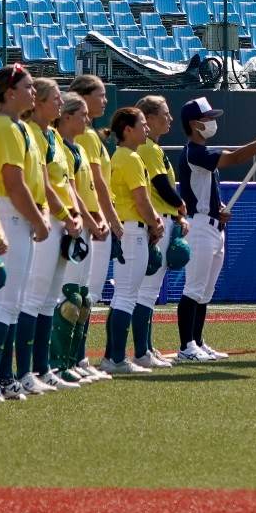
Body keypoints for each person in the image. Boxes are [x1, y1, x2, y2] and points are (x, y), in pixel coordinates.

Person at [176, 96, 256, 361]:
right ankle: (186, 345)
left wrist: (219, 206)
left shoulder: (202, 153)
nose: (212, 123)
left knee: (205, 291)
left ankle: (197, 341)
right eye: (208, 118)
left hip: (213, 225)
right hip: (199, 228)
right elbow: (234, 158)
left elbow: (204, 189)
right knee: (194, 289)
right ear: (194, 124)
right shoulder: (195, 152)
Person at [0, 65, 47, 399]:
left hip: (17, 213)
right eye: (28, 86)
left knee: (14, 300)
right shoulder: (5, 126)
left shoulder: (19, 127)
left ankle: (4, 375)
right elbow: (13, 183)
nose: (33, 91)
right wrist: (37, 218)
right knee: (5, 300)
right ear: (10, 93)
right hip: (8, 211)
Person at [25, 80, 82, 390]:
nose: (60, 104)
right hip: (46, 219)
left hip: (61, 221)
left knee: (49, 300)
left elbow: (63, 183)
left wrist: (72, 216)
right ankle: (26, 372)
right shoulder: (32, 134)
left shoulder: (53, 138)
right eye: (56, 99)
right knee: (33, 299)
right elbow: (44, 183)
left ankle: (42, 368)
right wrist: (66, 214)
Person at [54, 90, 110, 383]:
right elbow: (72, 191)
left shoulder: (78, 147)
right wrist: (90, 218)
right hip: (73, 225)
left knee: (83, 298)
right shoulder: (61, 147)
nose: (88, 118)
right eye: (82, 114)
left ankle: (74, 359)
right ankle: (57, 363)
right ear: (66, 116)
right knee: (69, 299)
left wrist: (96, 218)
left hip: (86, 224)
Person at [100, 106, 159, 375]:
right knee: (126, 296)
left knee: (122, 296)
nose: (146, 129)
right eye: (142, 124)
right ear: (128, 130)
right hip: (132, 230)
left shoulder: (122, 155)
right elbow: (141, 199)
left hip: (127, 229)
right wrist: (155, 223)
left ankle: (112, 356)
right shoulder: (130, 158)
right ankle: (116, 358)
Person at [130, 95, 187, 368]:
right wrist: (180, 207)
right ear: (149, 119)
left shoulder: (153, 148)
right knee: (146, 290)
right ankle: (142, 350)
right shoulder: (149, 149)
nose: (170, 118)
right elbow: (161, 185)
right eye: (164, 113)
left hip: (160, 219)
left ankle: (147, 348)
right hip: (155, 222)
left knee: (148, 291)